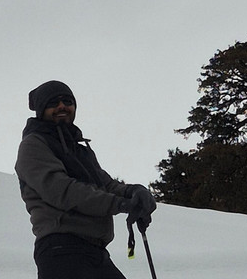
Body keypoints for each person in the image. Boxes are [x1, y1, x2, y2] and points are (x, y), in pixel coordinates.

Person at [15, 80, 157, 279]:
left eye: (67, 101)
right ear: (41, 109)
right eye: (53, 103)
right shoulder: (34, 145)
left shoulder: (80, 151)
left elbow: (107, 184)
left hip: (94, 252)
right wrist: (120, 204)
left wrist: (133, 192)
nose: (62, 106)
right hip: (62, 250)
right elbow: (63, 191)